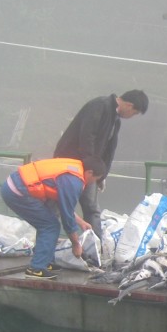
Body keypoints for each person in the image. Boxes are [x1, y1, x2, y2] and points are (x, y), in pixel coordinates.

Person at [54, 89, 148, 238]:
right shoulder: (99, 106)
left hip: (90, 170)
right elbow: (86, 136)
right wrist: (92, 167)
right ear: (129, 105)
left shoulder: (115, 119)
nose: (132, 117)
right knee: (59, 205)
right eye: (134, 113)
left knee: (91, 208)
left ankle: (95, 247)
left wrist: (102, 174)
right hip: (70, 166)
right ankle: (51, 242)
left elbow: (109, 149)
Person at [1, 156, 106, 279]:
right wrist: (76, 244)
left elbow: (63, 205)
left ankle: (46, 261)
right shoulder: (74, 182)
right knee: (50, 226)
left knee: (48, 221)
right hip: (17, 192)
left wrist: (81, 222)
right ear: (90, 172)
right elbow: (67, 218)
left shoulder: (74, 169)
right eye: (95, 179)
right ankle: (36, 269)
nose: (92, 183)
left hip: (15, 185)